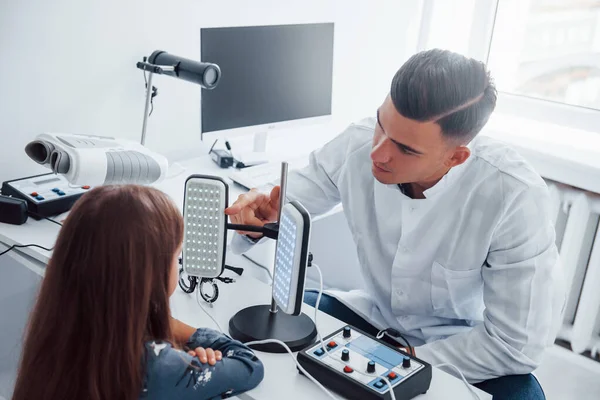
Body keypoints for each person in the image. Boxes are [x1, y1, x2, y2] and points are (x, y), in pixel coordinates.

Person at [225, 49, 565, 399]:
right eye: (381, 125)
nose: (377, 153)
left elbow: (514, 345)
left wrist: (400, 363)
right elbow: (290, 199)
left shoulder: (515, 197)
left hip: (464, 347)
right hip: (373, 318)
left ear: (456, 156)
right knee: (275, 329)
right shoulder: (359, 144)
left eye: (405, 149)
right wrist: (261, 217)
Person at [12, 185, 264, 400]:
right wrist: (176, 329)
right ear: (150, 274)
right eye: (177, 257)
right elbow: (248, 365)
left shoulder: (54, 331)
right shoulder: (160, 366)